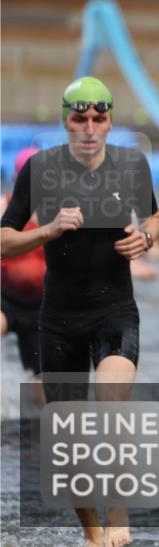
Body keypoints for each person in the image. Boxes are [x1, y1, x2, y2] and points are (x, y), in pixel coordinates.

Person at [0, 76, 159, 547]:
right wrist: (48, 231)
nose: (90, 127)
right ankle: (93, 536)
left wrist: (146, 237)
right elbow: (4, 240)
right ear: (66, 122)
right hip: (59, 320)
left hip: (114, 311)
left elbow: (152, 216)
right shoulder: (40, 171)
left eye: (98, 118)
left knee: (112, 406)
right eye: (79, 118)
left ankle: (119, 516)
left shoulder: (132, 166)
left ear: (109, 122)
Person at [1, 148, 44, 386]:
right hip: (5, 300)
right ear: (15, 179)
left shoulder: (58, 214)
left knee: (43, 386)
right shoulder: (3, 207)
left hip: (43, 309)